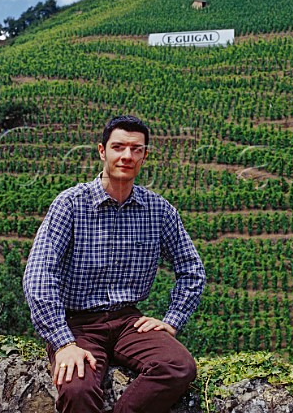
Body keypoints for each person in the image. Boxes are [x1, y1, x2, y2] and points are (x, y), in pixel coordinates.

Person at [23, 115, 206, 413]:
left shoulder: (158, 210)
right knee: (77, 388)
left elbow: (192, 270)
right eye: (118, 147)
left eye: (136, 149)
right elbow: (39, 274)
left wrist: (173, 319)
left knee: (178, 367)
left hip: (128, 322)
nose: (126, 156)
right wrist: (63, 343)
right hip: (77, 324)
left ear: (145, 155)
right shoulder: (70, 204)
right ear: (101, 150)